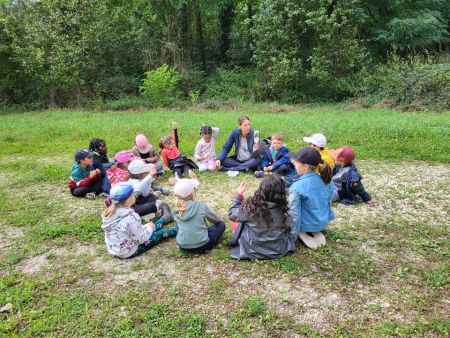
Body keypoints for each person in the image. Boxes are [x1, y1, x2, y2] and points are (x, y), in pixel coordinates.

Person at [228, 176, 296, 260]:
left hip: (251, 250)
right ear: (282, 192)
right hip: (278, 251)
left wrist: (239, 196)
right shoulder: (286, 211)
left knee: (236, 223)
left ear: (261, 190)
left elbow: (232, 214)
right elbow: (291, 227)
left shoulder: (251, 208)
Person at [101, 183, 176, 259]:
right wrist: (150, 229)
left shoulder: (109, 213)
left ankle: (165, 218)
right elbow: (142, 239)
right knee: (159, 233)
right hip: (129, 251)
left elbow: (127, 229)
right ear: (129, 199)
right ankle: (177, 229)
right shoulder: (131, 217)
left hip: (114, 249)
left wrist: (148, 227)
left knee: (148, 226)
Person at [289, 147, 335, 249]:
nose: (294, 164)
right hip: (323, 222)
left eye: (296, 162)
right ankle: (315, 229)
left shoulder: (297, 187)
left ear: (305, 166)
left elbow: (294, 213)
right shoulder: (326, 180)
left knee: (286, 206)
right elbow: (327, 203)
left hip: (306, 225)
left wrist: (292, 235)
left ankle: (304, 231)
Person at [173, 179, 225, 254]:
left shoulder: (175, 208)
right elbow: (216, 220)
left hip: (183, 246)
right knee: (221, 225)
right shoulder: (201, 205)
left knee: (179, 225)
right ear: (192, 192)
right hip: (202, 245)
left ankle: (186, 240)